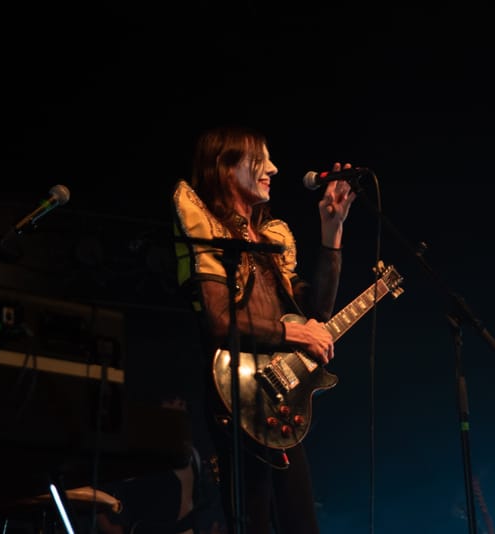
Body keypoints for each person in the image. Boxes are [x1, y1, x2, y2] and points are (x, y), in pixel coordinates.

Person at [171, 125, 356, 533]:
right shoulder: (207, 231)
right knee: (249, 522)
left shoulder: (270, 239)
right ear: (225, 167)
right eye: (260, 160)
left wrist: (332, 230)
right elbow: (220, 322)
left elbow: (316, 311)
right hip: (236, 399)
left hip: (279, 402)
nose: (272, 168)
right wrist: (297, 335)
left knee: (301, 523)